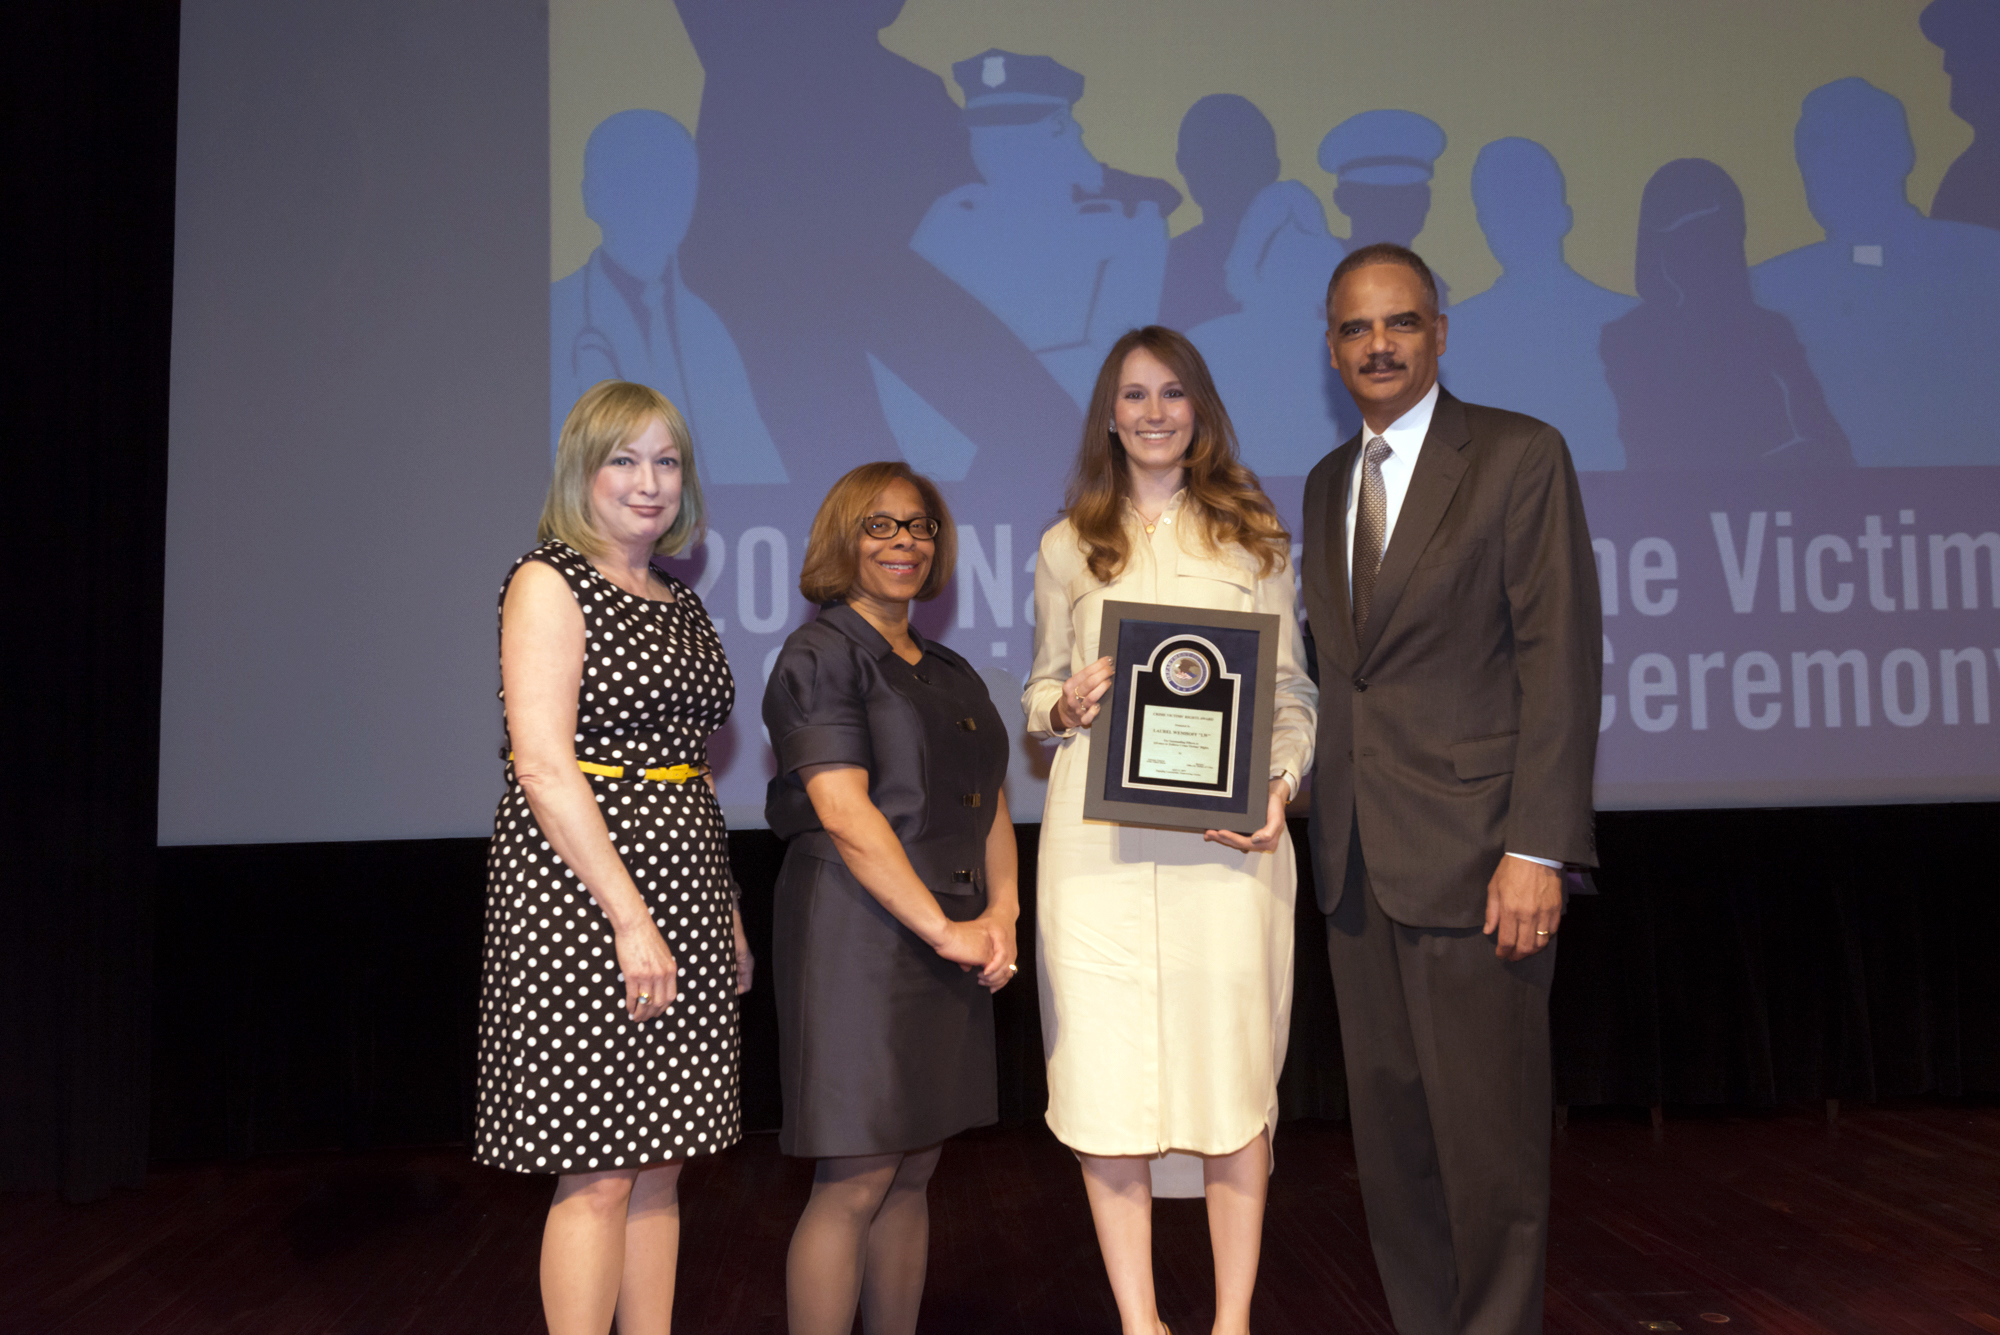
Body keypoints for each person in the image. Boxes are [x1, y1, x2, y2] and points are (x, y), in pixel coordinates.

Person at [1302, 244, 1601, 1334]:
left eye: (1399, 323)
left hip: (1481, 863)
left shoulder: (1518, 456)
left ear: (1439, 331)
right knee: (1393, 1154)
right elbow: (1345, 680)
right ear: (1329, 347)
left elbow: (1557, 661)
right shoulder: (1328, 482)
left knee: (1489, 1156)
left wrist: (1537, 847)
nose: (1376, 346)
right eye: (1352, 329)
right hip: (1352, 867)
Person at [1026, 326, 1318, 1335]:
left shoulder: (1254, 539)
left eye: (1173, 394)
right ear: (1109, 415)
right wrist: (1063, 706)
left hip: (1223, 852)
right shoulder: (1067, 547)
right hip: (1096, 858)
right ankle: (1140, 1323)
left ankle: (1231, 1321)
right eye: (1134, 395)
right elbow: (1034, 689)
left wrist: (1279, 783)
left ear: (1199, 411)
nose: (1153, 412)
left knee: (1230, 1071)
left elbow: (1289, 693)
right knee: (1105, 1077)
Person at [473, 380, 754, 1335]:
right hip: (585, 895)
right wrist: (631, 916)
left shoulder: (676, 599)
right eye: (624, 460)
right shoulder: (548, 579)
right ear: (581, 473)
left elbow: (695, 765)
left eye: (666, 460)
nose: (650, 481)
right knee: (597, 1168)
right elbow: (546, 765)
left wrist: (723, 911)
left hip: (680, 879)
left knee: (663, 1163)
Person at [762, 462, 1020, 1335]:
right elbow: (843, 810)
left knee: (915, 1171)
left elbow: (991, 804)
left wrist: (1001, 917)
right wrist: (944, 929)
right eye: (880, 526)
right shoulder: (818, 653)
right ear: (844, 540)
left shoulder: (949, 670)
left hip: (947, 936)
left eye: (918, 527)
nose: (904, 541)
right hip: (859, 936)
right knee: (856, 1176)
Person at [913, 50, 1174, 408]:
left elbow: (1114, 364)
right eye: (982, 127)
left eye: (1011, 128)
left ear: (1059, 126)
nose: (991, 143)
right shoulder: (951, 218)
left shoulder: (1129, 222)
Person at [549, 110, 784, 482]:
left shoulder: (708, 326)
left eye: (677, 184)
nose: (662, 203)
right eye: (641, 182)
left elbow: (755, 468)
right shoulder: (555, 315)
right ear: (592, 196)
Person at [1600, 158, 1851, 470]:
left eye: (1716, 238)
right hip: (1678, 505)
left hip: (1775, 506)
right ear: (1658, 250)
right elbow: (1655, 453)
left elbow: (1830, 441)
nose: (1703, 255)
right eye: (1685, 242)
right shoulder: (1629, 337)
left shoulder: (1769, 330)